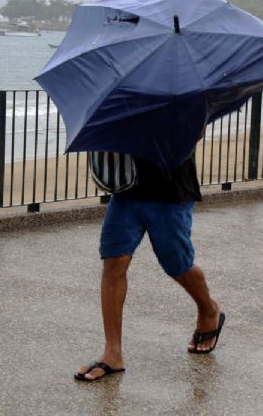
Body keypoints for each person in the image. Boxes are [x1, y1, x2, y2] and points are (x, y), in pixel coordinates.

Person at [74, 153, 225, 383]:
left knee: (177, 266)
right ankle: (113, 353)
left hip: (170, 190)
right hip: (127, 188)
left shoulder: (182, 113)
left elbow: (193, 131)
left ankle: (209, 309)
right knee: (113, 262)